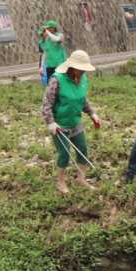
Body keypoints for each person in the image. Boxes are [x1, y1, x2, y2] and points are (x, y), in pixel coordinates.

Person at [41, 50, 102, 195]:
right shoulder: (57, 80)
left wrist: (92, 113)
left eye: (84, 69)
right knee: (64, 154)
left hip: (76, 121)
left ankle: (81, 179)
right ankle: (60, 182)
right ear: (72, 67)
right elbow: (46, 103)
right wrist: (50, 122)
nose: (82, 72)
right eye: (80, 69)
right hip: (60, 125)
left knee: (83, 151)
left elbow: (82, 98)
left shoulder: (83, 79)